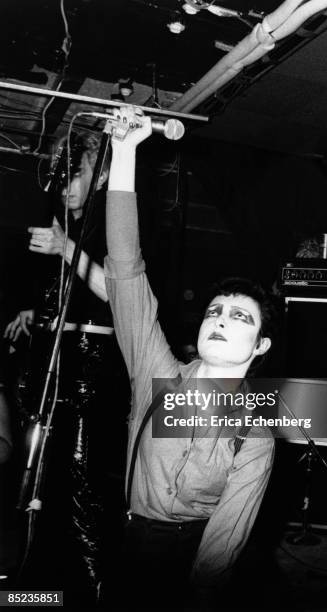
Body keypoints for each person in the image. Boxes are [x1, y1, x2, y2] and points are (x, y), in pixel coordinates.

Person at [103, 109, 276, 610]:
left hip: (192, 556)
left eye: (240, 318)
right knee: (35, 599)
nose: (220, 319)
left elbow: (225, 538)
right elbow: (126, 269)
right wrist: (126, 152)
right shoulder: (158, 372)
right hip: (130, 540)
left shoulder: (256, 434)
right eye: (215, 311)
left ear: (260, 346)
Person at [4, 132, 129, 605]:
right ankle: (40, 587)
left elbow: (119, 296)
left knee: (82, 487)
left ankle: (91, 591)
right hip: (54, 371)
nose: (64, 187)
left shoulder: (109, 226)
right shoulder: (68, 225)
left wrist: (65, 247)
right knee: (43, 482)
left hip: (91, 377)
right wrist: (37, 313)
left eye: (74, 174)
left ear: (96, 175)